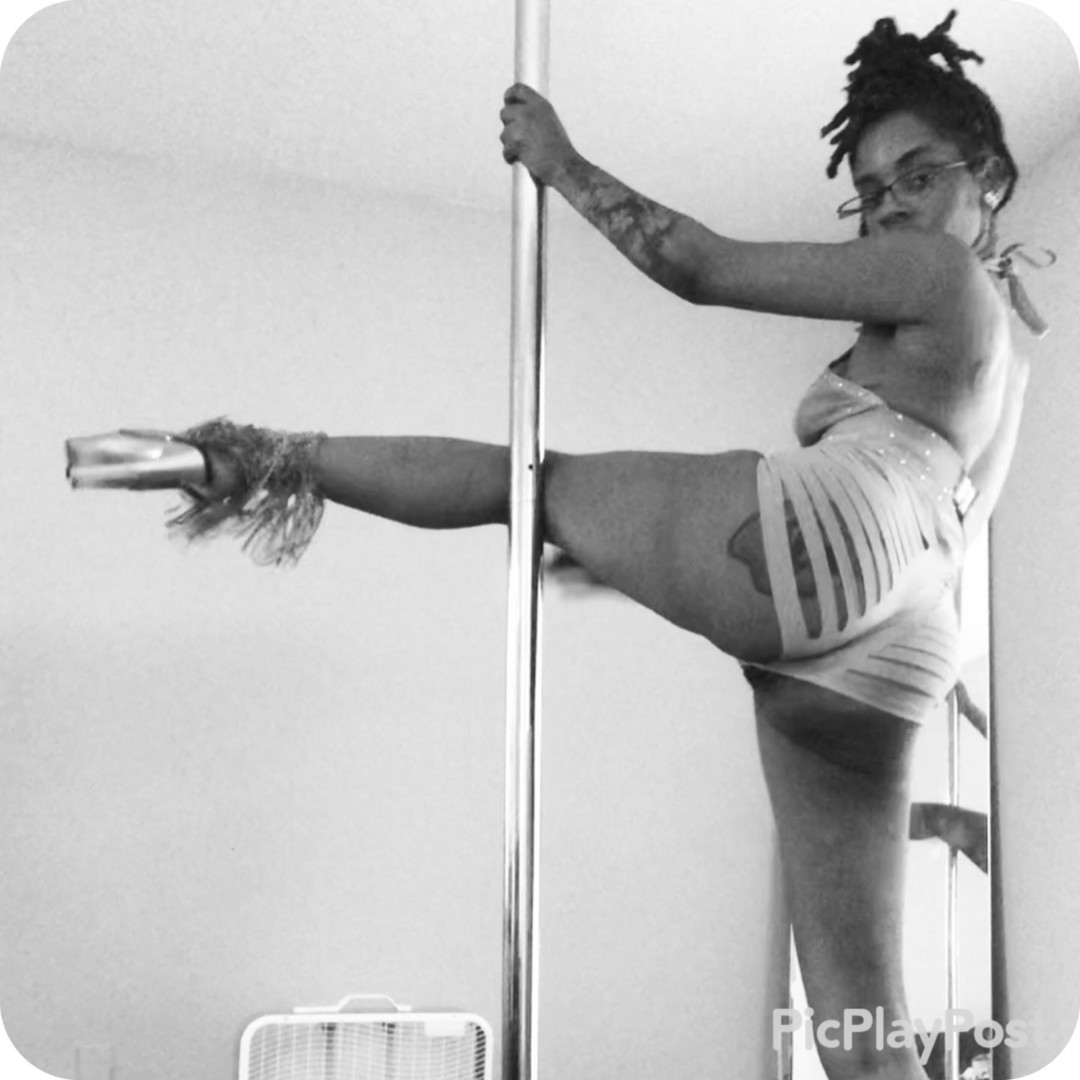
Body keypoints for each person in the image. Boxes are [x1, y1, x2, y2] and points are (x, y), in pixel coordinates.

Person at [67, 11, 1051, 1080]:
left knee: (525, 484)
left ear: (991, 176)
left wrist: (561, 161)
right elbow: (953, 521)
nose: (891, 206)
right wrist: (660, 564)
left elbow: (701, 266)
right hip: (911, 631)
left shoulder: (939, 276)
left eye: (919, 176)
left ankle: (223, 460)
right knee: (866, 1033)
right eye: (869, 191)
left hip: (842, 534)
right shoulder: (1008, 337)